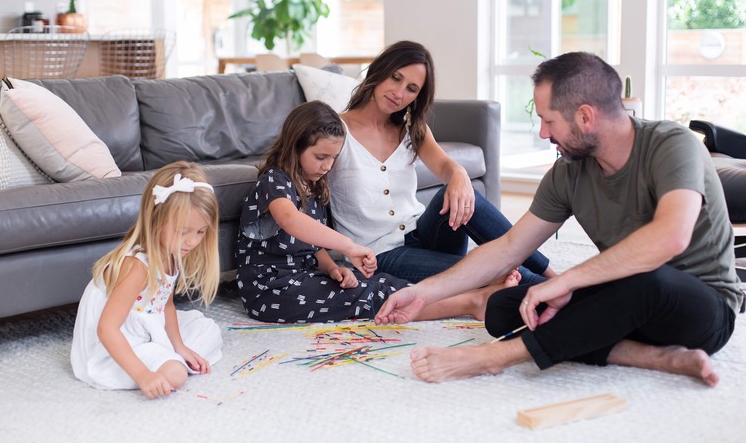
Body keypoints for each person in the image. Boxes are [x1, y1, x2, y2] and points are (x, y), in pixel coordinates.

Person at [375, 52, 742, 386]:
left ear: (585, 117)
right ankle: (658, 357)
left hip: (699, 310)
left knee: (649, 280)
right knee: (506, 307)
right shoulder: (567, 171)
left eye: (548, 120)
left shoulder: (672, 144)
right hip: (623, 305)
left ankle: (492, 357)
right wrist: (424, 292)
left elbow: (670, 236)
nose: (543, 133)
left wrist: (566, 281)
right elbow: (508, 248)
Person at [235, 101, 516, 323]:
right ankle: (473, 302)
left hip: (305, 277)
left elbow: (312, 247)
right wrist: (349, 247)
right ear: (294, 146)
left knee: (383, 282)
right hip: (271, 291)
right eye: (320, 157)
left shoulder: (312, 187)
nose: (328, 166)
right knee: (371, 297)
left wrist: (333, 268)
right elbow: (291, 220)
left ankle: (486, 282)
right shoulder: (274, 181)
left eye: (333, 158)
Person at [328, 40, 554, 285]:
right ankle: (554, 289)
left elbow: (446, 166)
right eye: (395, 78)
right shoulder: (334, 131)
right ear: (379, 71)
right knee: (491, 269)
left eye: (411, 88)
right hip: (380, 255)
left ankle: (551, 275)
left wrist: (459, 175)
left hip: (425, 234)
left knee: (460, 191)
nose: (399, 93)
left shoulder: (411, 129)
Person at [71, 161, 223, 399]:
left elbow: (166, 305)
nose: (192, 241)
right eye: (183, 231)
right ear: (156, 220)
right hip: (115, 340)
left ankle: (168, 354)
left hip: (145, 323)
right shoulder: (137, 266)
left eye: (200, 232)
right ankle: (156, 363)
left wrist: (179, 346)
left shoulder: (171, 253)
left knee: (208, 330)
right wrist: (143, 375)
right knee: (176, 374)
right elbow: (107, 329)